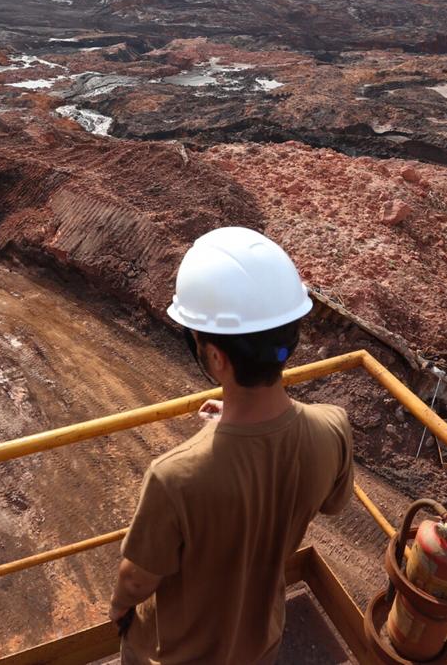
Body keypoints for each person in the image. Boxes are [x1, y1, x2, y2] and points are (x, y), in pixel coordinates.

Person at [108, 226, 354, 664]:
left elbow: (136, 581)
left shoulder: (175, 477)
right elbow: (331, 504)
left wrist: (118, 610)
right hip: (261, 644)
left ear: (217, 358)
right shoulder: (333, 428)